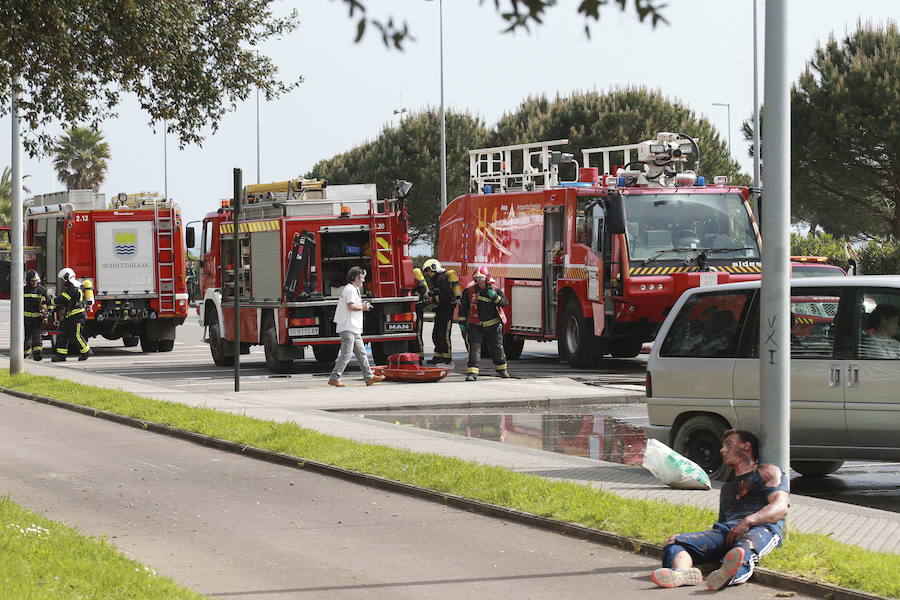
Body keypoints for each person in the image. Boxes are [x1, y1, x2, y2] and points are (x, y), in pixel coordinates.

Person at [650, 429, 790, 591]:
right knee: (674, 542)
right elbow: (722, 524)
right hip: (727, 532)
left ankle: (729, 574)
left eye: (729, 444)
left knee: (744, 547)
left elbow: (780, 507)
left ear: (746, 447)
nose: (722, 450)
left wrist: (749, 521)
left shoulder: (767, 472)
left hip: (761, 528)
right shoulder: (728, 489)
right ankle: (681, 573)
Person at [328, 266, 385, 387]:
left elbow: (353, 305)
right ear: (356, 278)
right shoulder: (350, 289)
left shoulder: (353, 289)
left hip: (353, 327)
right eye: (362, 278)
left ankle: (369, 377)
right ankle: (334, 378)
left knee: (361, 353)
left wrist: (362, 305)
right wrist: (363, 307)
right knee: (346, 354)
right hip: (348, 327)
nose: (363, 280)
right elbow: (351, 306)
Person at [457, 266, 510, 381]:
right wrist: (462, 322)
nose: (480, 281)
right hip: (476, 326)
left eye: (481, 278)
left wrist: (495, 297)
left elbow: (504, 303)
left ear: (487, 278)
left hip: (493, 326)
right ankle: (472, 373)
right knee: (474, 348)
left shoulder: (494, 290)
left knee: (497, 349)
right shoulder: (469, 291)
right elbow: (463, 308)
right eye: (477, 278)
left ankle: (502, 370)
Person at [52, 267, 93, 362]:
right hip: (71, 316)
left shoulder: (73, 288)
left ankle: (86, 351)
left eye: (62, 280)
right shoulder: (72, 287)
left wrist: (49, 301)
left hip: (77, 316)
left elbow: (62, 299)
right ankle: (61, 356)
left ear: (66, 277)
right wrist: (56, 309)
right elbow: (67, 302)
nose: (61, 282)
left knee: (76, 336)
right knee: (63, 334)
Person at [422, 258, 453, 366]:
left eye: (428, 270)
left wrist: (433, 299)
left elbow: (447, 294)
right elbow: (436, 293)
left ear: (434, 268)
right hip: (440, 311)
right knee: (436, 334)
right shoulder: (436, 279)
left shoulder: (442, 278)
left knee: (443, 335)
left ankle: (447, 358)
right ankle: (438, 356)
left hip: (447, 311)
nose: (428, 273)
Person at [24, 270, 47, 361]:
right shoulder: (23, 290)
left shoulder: (41, 289)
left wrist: (48, 312)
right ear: (28, 280)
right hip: (26, 318)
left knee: (37, 336)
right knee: (27, 337)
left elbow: (47, 302)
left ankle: (37, 354)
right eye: (32, 281)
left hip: (37, 318)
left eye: (36, 281)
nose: (35, 283)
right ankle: (25, 353)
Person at [411, 267, 430, 365]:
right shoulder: (419, 284)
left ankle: (420, 357)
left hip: (418, 310)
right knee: (417, 333)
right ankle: (418, 356)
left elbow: (422, 291)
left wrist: (414, 294)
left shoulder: (420, 286)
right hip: (416, 309)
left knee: (417, 334)